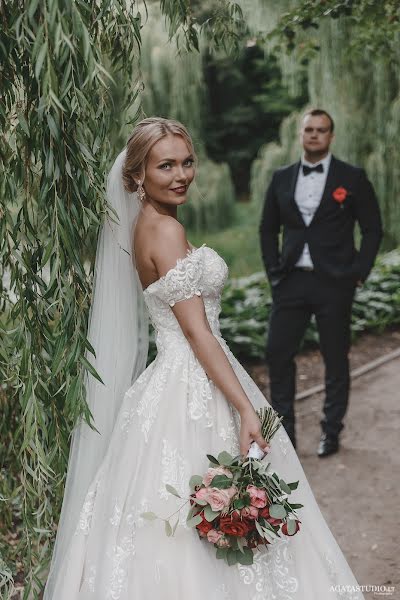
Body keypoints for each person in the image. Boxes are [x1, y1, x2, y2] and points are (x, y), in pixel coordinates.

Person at [44, 117, 366, 599]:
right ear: (137, 176)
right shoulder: (166, 231)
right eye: (165, 165)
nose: (181, 175)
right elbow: (197, 334)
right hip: (194, 377)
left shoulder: (146, 226)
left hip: (177, 377)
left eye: (187, 162)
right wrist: (244, 407)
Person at [260, 109, 383, 456]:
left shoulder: (352, 177)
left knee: (335, 358)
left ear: (331, 136)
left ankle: (331, 431)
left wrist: (359, 271)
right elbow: (267, 229)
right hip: (291, 282)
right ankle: (285, 433)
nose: (314, 135)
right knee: (277, 352)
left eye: (321, 130)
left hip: (335, 283)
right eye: (309, 129)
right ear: (300, 135)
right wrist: (274, 273)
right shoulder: (281, 178)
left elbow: (373, 229)